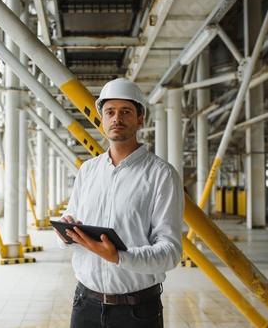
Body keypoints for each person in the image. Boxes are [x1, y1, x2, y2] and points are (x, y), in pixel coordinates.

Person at [56, 78, 185, 328]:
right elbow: (70, 218)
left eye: (126, 112)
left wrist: (119, 257)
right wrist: (65, 232)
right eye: (110, 112)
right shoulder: (88, 171)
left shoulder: (161, 175)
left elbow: (170, 251)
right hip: (85, 305)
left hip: (137, 312)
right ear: (102, 119)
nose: (117, 118)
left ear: (139, 119)